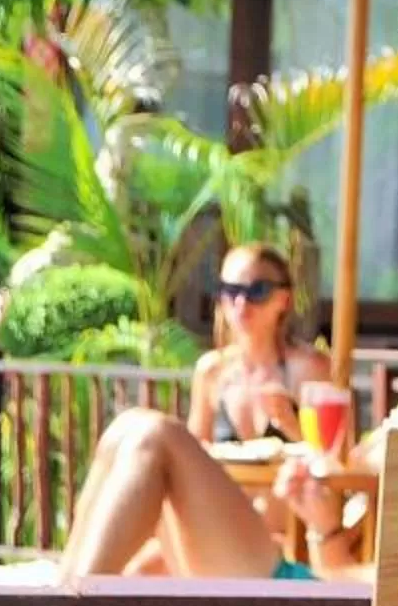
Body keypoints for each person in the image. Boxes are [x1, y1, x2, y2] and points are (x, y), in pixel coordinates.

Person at [57, 244, 363, 583]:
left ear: (284, 300)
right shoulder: (214, 371)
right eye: (230, 291)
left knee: (154, 436)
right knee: (126, 429)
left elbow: (339, 465)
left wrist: (291, 424)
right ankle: (61, 594)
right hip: (218, 533)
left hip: (275, 542)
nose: (241, 303)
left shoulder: (311, 369)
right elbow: (195, 451)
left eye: (256, 291)